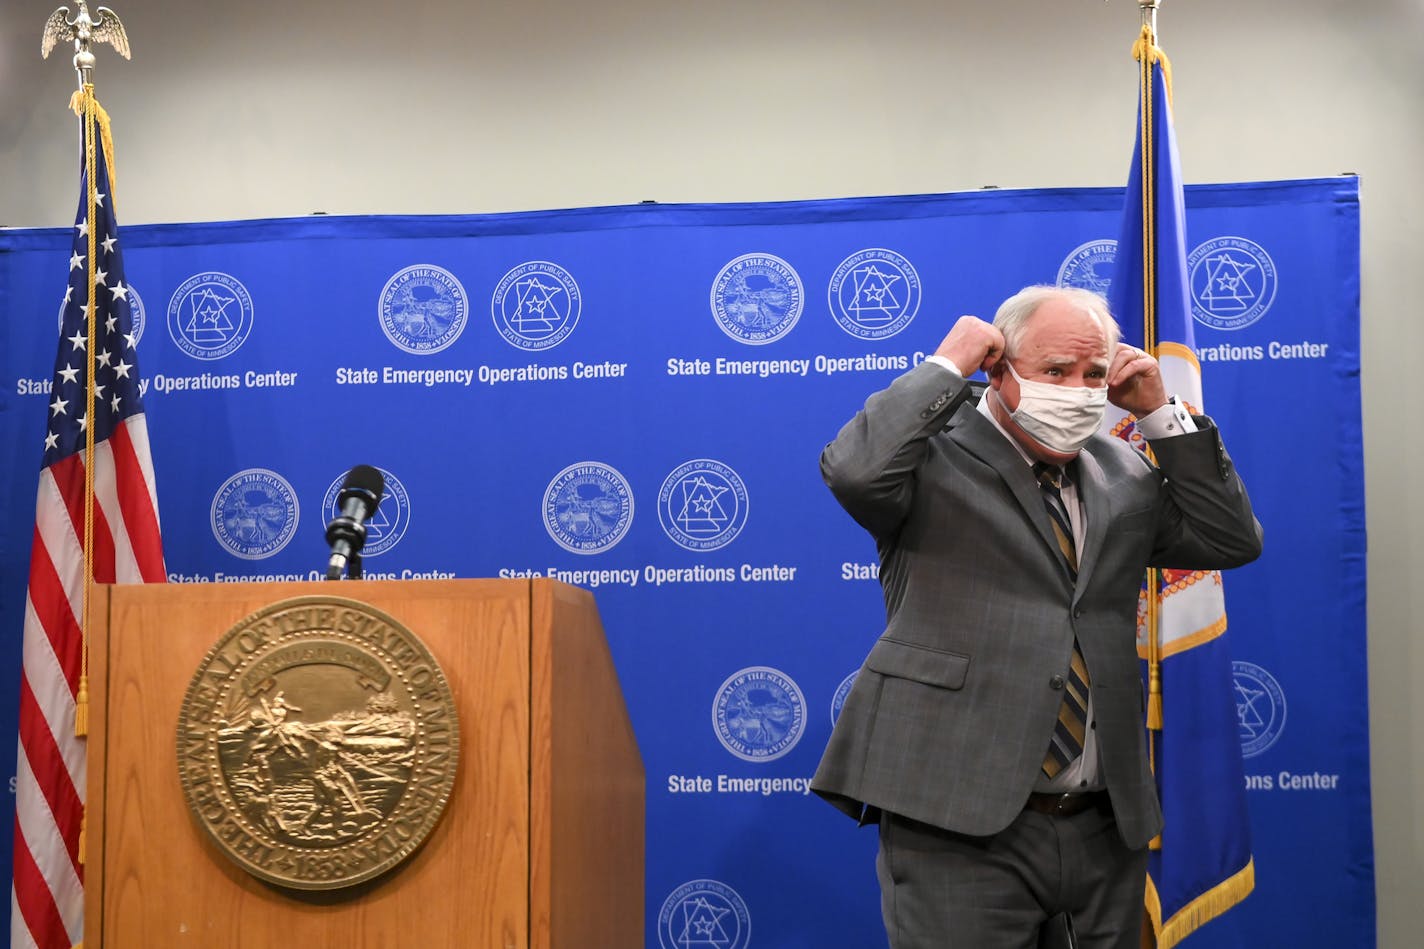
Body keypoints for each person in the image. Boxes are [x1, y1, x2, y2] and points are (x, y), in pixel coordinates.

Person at [810, 285, 1263, 949]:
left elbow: (1230, 539)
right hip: (957, 819)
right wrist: (944, 365)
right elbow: (854, 471)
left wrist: (1161, 414)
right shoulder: (934, 453)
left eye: (1093, 375)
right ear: (998, 370)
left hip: (1103, 823)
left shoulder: (1125, 468)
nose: (1078, 391)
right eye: (1055, 372)